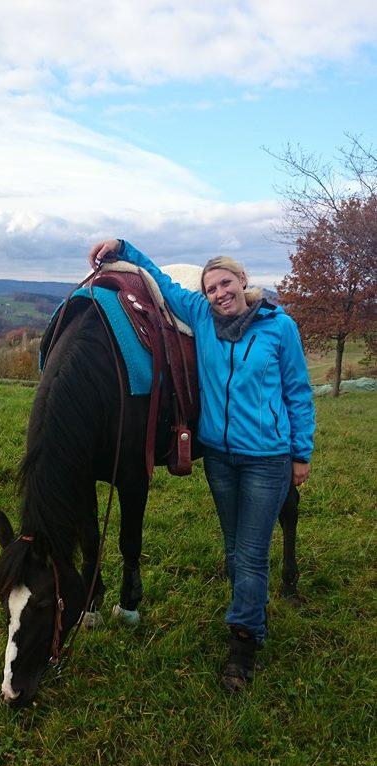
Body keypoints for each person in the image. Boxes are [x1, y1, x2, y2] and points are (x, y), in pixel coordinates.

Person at [88, 238, 315, 692]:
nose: (219, 293)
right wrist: (124, 248)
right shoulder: (202, 319)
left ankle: (244, 645)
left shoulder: (278, 327)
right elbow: (164, 284)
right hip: (222, 458)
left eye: (226, 283)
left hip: (267, 457)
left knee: (250, 557)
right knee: (235, 551)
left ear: (243, 281)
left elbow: (297, 390)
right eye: (211, 288)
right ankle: (250, 609)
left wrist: (300, 452)